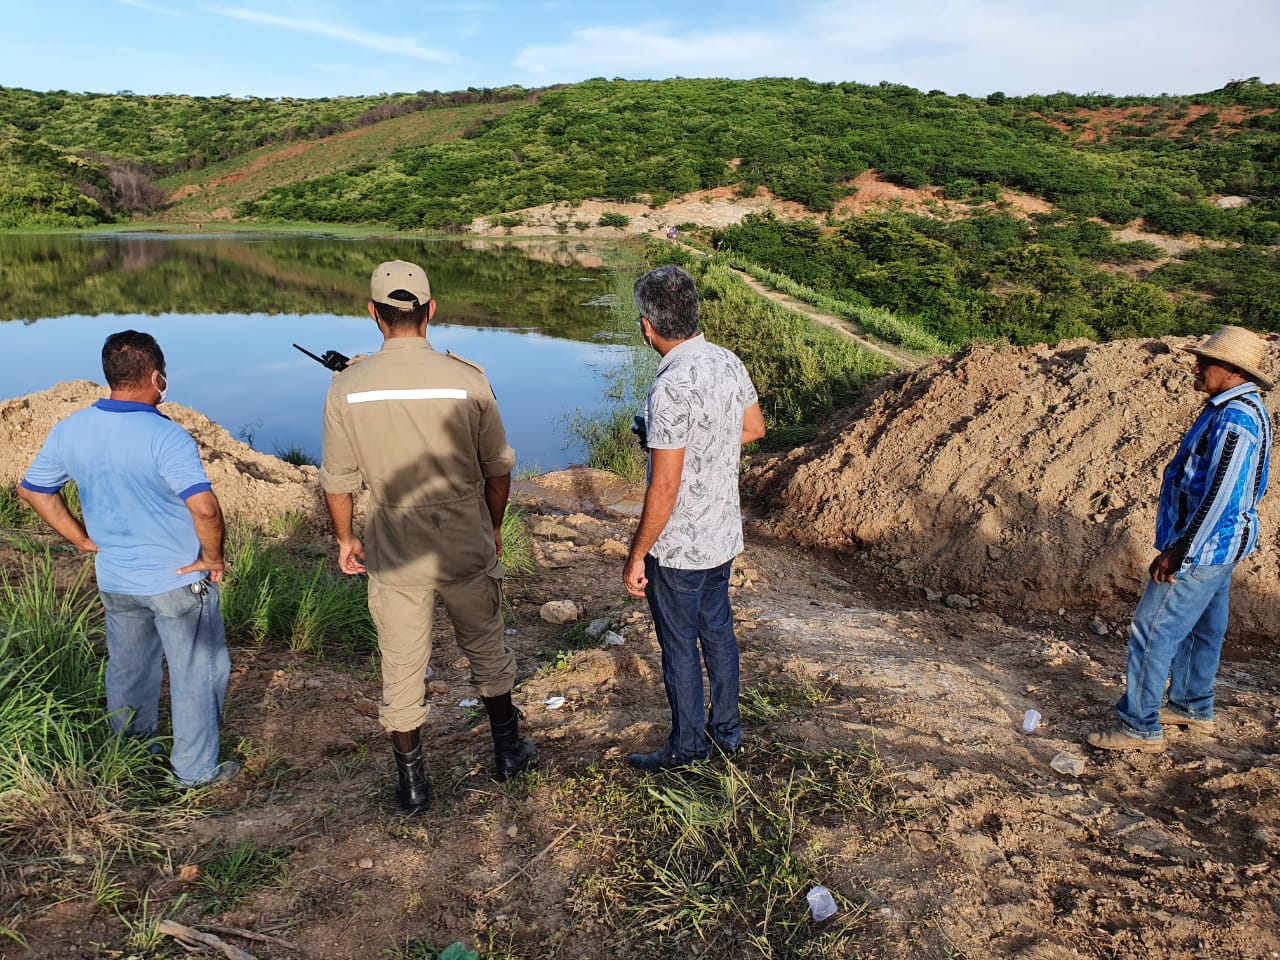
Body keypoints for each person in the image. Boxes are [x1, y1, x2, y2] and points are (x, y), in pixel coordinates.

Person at [320, 259, 536, 813]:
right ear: (430, 310)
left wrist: (345, 539)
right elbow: (498, 470)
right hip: (465, 537)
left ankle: (413, 786)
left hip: (394, 546)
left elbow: (338, 481)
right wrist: (492, 527)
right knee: (486, 645)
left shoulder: (348, 386)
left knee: (401, 663)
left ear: (373, 314)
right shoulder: (469, 380)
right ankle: (508, 753)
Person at [19, 330, 236, 787]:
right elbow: (205, 508)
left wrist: (80, 538)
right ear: (157, 377)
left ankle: (133, 754)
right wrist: (212, 558)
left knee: (129, 669)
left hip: (116, 579)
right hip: (177, 579)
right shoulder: (167, 436)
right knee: (196, 672)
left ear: (111, 376)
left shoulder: (72, 428)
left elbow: (35, 490)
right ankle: (195, 771)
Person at [1088, 325, 1273, 753]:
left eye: (1205, 363)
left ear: (1233, 371)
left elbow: (1220, 496)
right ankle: (1192, 704)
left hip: (1204, 547)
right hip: (1221, 547)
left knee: (1152, 628)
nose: (1196, 368)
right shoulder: (1232, 407)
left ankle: (1139, 726)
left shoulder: (1235, 420)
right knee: (1202, 628)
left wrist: (1180, 551)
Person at [623, 265, 766, 771]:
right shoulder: (727, 361)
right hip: (722, 534)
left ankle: (687, 748)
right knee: (718, 633)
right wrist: (699, 447)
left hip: (680, 547)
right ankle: (727, 732)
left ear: (647, 325)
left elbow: (665, 487)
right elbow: (754, 428)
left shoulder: (669, 387)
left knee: (680, 646)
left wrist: (637, 554)